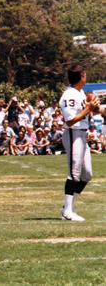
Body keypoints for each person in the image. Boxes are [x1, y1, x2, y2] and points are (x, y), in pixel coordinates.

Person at [59, 65, 100, 222]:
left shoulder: (80, 93)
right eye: (85, 74)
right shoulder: (69, 94)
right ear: (81, 76)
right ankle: (67, 212)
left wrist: (95, 108)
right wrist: (88, 108)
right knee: (74, 174)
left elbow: (86, 113)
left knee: (86, 174)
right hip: (73, 133)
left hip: (81, 134)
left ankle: (68, 207)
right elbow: (70, 120)